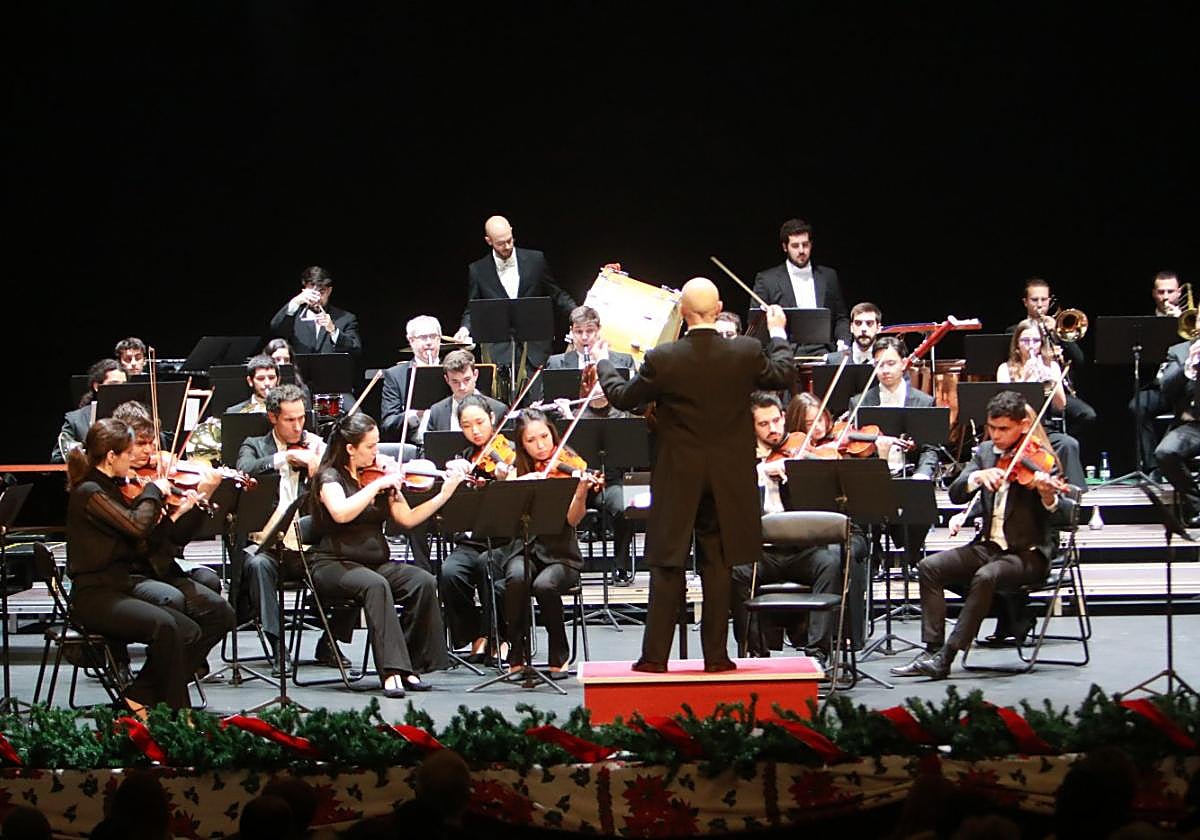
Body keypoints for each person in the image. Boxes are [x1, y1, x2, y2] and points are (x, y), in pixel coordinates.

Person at [595, 277, 794, 672]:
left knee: (667, 565)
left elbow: (622, 398)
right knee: (717, 565)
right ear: (718, 310)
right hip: (727, 478)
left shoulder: (664, 358)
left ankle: (654, 659)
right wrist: (778, 331)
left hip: (678, 477)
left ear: (682, 314)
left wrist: (604, 360)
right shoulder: (745, 351)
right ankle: (717, 659)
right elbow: (783, 372)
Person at [891, 390, 1075, 679]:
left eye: (1004, 429)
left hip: (1028, 554)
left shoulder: (1043, 459)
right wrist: (976, 477)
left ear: (1024, 425)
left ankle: (947, 656)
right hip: (989, 547)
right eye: (992, 427)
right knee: (929, 567)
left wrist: (1048, 496)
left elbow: (1067, 514)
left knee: (986, 576)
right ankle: (931, 649)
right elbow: (955, 494)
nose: (997, 435)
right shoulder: (987, 453)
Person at [309, 411, 464, 697]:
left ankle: (411, 665)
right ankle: (391, 671)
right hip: (333, 563)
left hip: (374, 563)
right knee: (376, 586)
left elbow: (407, 518)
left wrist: (444, 494)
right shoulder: (328, 477)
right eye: (370, 446)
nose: (376, 452)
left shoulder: (378, 475)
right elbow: (341, 513)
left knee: (422, 580)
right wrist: (377, 487)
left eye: (377, 445)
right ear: (350, 449)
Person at [65, 418, 206, 713]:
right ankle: (179, 716)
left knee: (189, 631)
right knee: (166, 626)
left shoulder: (112, 489)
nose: (134, 459)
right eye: (129, 453)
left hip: (119, 589)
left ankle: (137, 698)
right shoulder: (89, 492)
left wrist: (176, 514)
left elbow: (143, 540)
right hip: (94, 596)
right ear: (112, 456)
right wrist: (153, 490)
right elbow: (135, 525)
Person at [730, 392, 866, 664]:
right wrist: (759, 474)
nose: (774, 429)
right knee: (736, 572)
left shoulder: (798, 454)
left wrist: (800, 471)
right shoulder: (739, 461)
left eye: (777, 420)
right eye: (764, 424)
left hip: (802, 550)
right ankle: (756, 654)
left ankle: (817, 653)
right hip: (763, 552)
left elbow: (829, 484)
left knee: (829, 563)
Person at [112, 401, 234, 683]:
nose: (149, 452)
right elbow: (142, 539)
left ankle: (174, 673)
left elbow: (176, 539)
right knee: (176, 604)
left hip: (159, 566)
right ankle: (152, 679)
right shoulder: (113, 487)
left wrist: (198, 503)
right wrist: (162, 504)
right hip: (128, 573)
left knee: (222, 613)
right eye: (141, 444)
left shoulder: (156, 477)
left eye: (152, 443)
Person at [237, 384, 337, 672]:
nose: (297, 427)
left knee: (355, 567)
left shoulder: (316, 445)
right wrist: (286, 458)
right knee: (256, 565)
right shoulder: (254, 445)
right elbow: (244, 470)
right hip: (267, 543)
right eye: (289, 420)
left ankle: (329, 643)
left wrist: (324, 470)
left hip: (306, 544)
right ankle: (278, 648)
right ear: (273, 418)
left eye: (301, 419)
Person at [501, 408, 593, 677]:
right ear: (521, 444)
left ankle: (559, 654)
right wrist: (514, 485)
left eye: (545, 437)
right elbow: (505, 518)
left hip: (561, 553)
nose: (541, 446)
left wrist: (580, 493)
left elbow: (573, 520)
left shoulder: (569, 466)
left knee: (544, 585)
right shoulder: (516, 469)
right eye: (531, 440)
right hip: (523, 548)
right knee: (516, 577)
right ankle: (517, 654)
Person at [439, 395, 517, 662]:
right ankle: (476, 635)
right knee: (450, 573)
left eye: (480, 422)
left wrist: (507, 481)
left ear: (492, 419)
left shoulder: (512, 454)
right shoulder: (462, 458)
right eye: (467, 425)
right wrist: (453, 477)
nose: (475, 430)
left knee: (488, 566)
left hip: (507, 540)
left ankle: (501, 637)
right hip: (472, 540)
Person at [453, 215, 577, 379]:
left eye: (509, 240)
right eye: (500, 243)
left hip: (535, 350)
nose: (507, 246)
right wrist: (464, 329)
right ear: (488, 241)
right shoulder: (477, 270)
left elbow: (557, 293)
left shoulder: (535, 260)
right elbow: (472, 307)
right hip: (500, 353)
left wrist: (577, 314)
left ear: (511, 231)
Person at [996, 320, 1088, 488]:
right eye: (1025, 340)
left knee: (1069, 444)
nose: (1030, 345)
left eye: (1035, 341)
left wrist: (1052, 379)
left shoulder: (1051, 366)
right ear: (1017, 344)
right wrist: (1026, 380)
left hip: (1044, 429)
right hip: (1016, 431)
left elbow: (1061, 405)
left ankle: (1075, 495)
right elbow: (1005, 405)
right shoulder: (1005, 369)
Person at [1007, 278, 1097, 441]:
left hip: (1055, 392)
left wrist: (1058, 335)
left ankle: (1060, 443)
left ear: (1049, 301)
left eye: (1044, 299)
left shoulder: (1056, 328)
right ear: (1025, 302)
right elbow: (1011, 360)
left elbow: (1080, 360)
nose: (1040, 304)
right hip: (1027, 391)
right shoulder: (1015, 331)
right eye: (1034, 300)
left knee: (1087, 415)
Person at [751, 218, 849, 354]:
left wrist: (843, 342)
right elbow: (756, 323)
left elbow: (841, 317)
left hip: (824, 351)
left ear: (811, 244)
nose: (801, 251)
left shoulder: (828, 276)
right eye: (795, 246)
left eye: (805, 244)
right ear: (785, 247)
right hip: (785, 354)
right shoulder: (767, 280)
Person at [1130, 271, 1187, 473]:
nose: (1165, 297)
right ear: (1154, 293)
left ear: (1179, 293)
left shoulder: (1191, 321)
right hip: (1158, 387)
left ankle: (1182, 466)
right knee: (1138, 406)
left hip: (1186, 389)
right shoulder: (1145, 325)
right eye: (1161, 291)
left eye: (1170, 291)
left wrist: (1179, 323)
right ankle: (1152, 467)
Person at [184, 355, 279, 464]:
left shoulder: (289, 410)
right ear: (250, 381)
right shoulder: (233, 412)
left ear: (278, 379)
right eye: (261, 378)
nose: (267, 383)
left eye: (271, 378)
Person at [1154, 337, 1200, 525]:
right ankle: (1196, 505)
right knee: (1165, 452)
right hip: (1193, 425)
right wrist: (1189, 364)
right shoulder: (1179, 351)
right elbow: (1166, 388)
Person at [269, 265, 362, 356]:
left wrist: (333, 331)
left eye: (321, 292)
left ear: (329, 291)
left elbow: (356, 349)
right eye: (312, 293)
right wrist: (295, 302)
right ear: (304, 290)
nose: (317, 298)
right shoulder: (294, 316)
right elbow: (276, 330)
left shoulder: (346, 318)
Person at [381, 315, 445, 442]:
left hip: (449, 440)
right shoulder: (395, 375)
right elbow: (388, 424)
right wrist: (415, 415)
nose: (429, 342)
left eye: (433, 336)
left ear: (439, 339)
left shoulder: (452, 371)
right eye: (422, 337)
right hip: (415, 445)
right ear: (411, 340)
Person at [52, 358, 126, 462]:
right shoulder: (75, 419)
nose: (120, 390)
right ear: (96, 386)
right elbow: (57, 458)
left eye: (124, 385)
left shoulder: (136, 416)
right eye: (114, 384)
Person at [423, 349, 507, 437]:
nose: (462, 387)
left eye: (467, 380)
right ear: (447, 380)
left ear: (475, 375)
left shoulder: (499, 410)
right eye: (455, 381)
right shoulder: (437, 411)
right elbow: (430, 448)